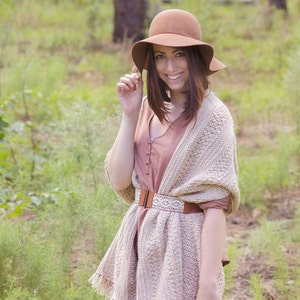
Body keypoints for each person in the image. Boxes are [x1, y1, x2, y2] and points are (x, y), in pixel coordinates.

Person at [89, 8, 239, 300]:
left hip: (182, 244)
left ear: (194, 57)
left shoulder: (214, 118)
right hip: (139, 234)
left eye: (179, 54)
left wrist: (207, 284)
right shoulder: (146, 107)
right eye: (160, 56)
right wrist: (130, 113)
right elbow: (120, 181)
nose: (170, 66)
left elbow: (215, 208)